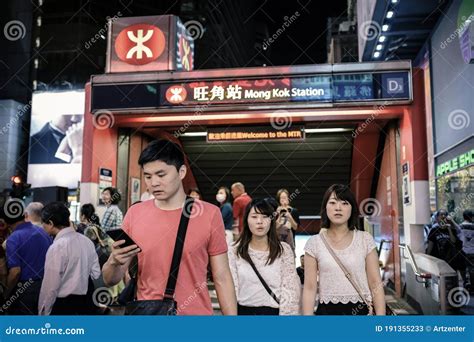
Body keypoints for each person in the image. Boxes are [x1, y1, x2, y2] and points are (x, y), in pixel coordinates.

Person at [102, 139, 237, 315]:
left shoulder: (209, 214)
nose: (154, 183)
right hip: (149, 316)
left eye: (161, 174)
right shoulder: (134, 214)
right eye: (148, 176)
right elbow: (110, 279)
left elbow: (222, 277)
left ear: (181, 172)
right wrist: (114, 261)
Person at [302, 184, 385, 315]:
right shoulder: (314, 243)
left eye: (345, 203)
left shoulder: (365, 239)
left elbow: (375, 282)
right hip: (327, 312)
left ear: (352, 209)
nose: (338, 208)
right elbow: (310, 287)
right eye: (333, 203)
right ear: (325, 207)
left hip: (361, 311)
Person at [228, 198, 300, 315]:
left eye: (265, 217)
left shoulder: (284, 251)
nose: (259, 221)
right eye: (254, 217)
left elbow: (290, 291)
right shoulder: (234, 250)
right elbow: (231, 290)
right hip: (243, 313)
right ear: (246, 220)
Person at [38, 202, 100, 315]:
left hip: (63, 306)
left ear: (51, 223)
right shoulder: (87, 241)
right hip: (87, 304)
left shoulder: (57, 247)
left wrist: (43, 311)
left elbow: (50, 287)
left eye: (43, 223)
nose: (42, 227)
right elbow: (96, 274)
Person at [0, 201, 52, 315]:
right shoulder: (43, 233)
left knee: (21, 328)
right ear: (24, 215)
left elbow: (15, 272)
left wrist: (5, 294)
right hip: (45, 287)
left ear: (4, 221)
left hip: (24, 292)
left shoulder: (13, 238)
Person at [427, 209, 466, 286]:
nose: (443, 216)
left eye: (445, 214)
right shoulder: (434, 229)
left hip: (451, 259)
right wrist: (428, 257)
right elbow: (430, 244)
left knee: (452, 280)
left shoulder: (451, 228)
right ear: (437, 217)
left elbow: (454, 241)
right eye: (441, 214)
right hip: (439, 259)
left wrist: (449, 229)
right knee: (441, 281)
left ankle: (454, 294)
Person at [460, 209, 474, 289]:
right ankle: (472, 285)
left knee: (463, 269)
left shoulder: (460, 226)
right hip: (472, 251)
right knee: (472, 268)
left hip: (463, 251)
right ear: (471, 217)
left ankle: (465, 282)